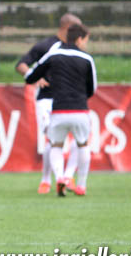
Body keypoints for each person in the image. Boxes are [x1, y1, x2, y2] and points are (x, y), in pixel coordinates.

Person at [25, 23, 96, 197]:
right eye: (86, 40)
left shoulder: (53, 54)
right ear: (79, 39)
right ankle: (81, 185)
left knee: (55, 145)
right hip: (80, 110)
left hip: (58, 110)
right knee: (82, 144)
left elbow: (31, 76)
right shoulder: (87, 58)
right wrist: (81, 97)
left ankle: (59, 177)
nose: (86, 44)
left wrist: (37, 78)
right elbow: (92, 88)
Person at [15, 13, 82, 194]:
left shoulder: (75, 48)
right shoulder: (46, 46)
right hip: (47, 100)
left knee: (80, 140)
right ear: (68, 28)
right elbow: (21, 64)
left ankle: (67, 177)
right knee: (53, 139)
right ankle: (46, 180)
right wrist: (35, 77)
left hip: (68, 100)